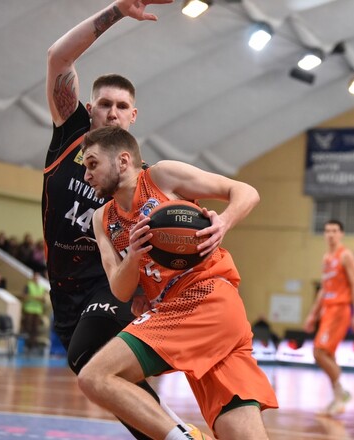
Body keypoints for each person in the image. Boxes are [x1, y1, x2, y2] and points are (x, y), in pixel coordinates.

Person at [77, 126, 278, 440]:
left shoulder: (161, 176)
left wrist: (223, 222)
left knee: (96, 376)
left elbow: (245, 191)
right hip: (195, 314)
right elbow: (120, 290)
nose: (87, 175)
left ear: (123, 161)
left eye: (92, 164)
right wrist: (134, 255)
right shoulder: (102, 218)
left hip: (207, 296)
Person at [44, 1, 185, 438]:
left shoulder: (143, 176)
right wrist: (118, 10)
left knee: (89, 359)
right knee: (106, 379)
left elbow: (178, 223)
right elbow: (58, 58)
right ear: (89, 109)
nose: (112, 112)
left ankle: (177, 435)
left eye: (122, 106)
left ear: (133, 117)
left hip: (112, 282)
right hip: (64, 291)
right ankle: (177, 433)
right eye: (104, 103)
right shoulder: (70, 137)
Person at [303, 219, 354, 416]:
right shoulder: (327, 258)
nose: (331, 234)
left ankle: (341, 392)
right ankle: (338, 399)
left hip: (340, 309)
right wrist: (312, 314)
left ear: (341, 234)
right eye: (328, 231)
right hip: (327, 310)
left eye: (335, 231)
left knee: (319, 352)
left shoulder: (345, 255)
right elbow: (323, 289)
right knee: (328, 355)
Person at [21, 272, 48, 352]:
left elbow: (44, 299)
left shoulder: (41, 287)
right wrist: (35, 298)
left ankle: (33, 345)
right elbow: (24, 296)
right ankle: (26, 344)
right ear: (32, 277)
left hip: (37, 311)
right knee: (27, 328)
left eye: (37, 277)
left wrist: (40, 299)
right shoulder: (28, 286)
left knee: (35, 329)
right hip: (29, 310)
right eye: (35, 277)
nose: (36, 279)